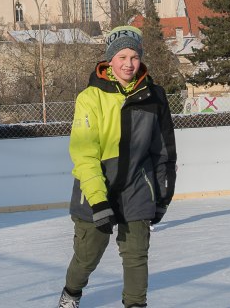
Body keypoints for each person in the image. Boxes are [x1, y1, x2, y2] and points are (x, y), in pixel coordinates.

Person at [57, 25, 177, 308]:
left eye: (134, 57)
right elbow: (85, 154)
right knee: (88, 254)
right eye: (121, 57)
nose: (128, 64)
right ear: (109, 59)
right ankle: (71, 292)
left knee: (136, 254)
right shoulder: (91, 97)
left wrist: (162, 196)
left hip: (137, 185)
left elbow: (164, 152)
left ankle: (135, 304)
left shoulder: (153, 96)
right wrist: (99, 202)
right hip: (96, 186)